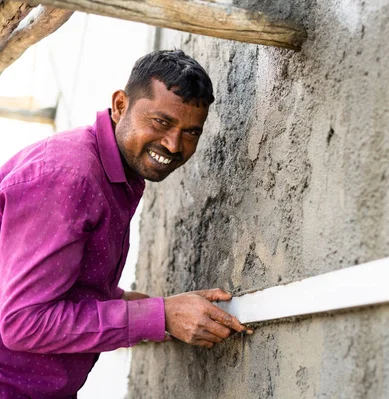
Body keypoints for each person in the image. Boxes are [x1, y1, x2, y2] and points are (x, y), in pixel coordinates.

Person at [0, 49, 251, 398]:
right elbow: (23, 324)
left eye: (191, 132)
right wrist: (159, 316)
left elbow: (59, 284)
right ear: (120, 105)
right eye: (161, 122)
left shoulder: (113, 174)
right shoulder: (71, 177)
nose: (173, 144)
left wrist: (153, 308)